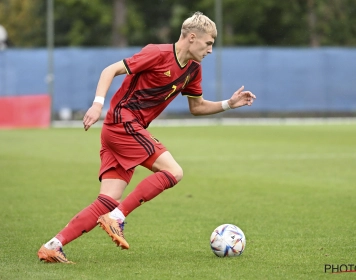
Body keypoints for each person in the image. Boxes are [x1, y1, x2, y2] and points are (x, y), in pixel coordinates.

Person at [37, 11, 256, 264]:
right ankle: (117, 218)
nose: (210, 50)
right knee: (173, 172)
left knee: (108, 200)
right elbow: (111, 70)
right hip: (122, 122)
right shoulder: (158, 53)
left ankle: (53, 245)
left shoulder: (193, 70)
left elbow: (197, 108)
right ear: (192, 38)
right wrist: (97, 104)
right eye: (208, 43)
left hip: (121, 129)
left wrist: (229, 104)